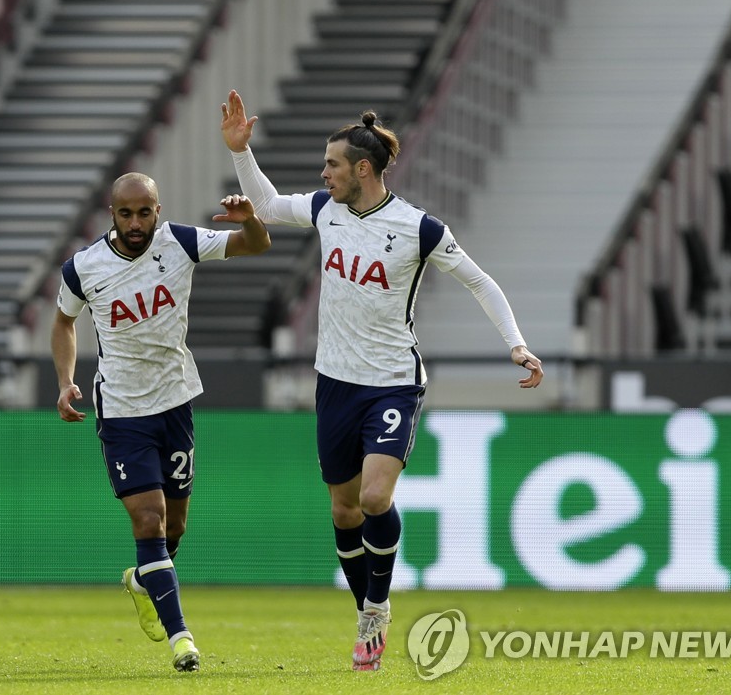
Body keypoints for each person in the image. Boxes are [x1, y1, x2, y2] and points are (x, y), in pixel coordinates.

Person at [220, 90, 544, 671]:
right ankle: (365, 609)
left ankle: (377, 604)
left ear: (361, 169)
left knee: (374, 497)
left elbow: (480, 281)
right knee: (344, 512)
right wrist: (242, 153)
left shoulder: (418, 228)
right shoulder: (327, 209)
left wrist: (515, 344)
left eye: (332, 165)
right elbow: (265, 206)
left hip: (393, 381)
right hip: (334, 381)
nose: (324, 174)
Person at [51, 172, 270, 673]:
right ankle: (182, 640)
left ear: (157, 209)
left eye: (144, 212)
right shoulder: (83, 268)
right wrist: (65, 380)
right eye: (125, 213)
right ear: (112, 213)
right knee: (148, 520)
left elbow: (257, 245)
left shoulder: (181, 242)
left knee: (173, 531)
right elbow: (63, 321)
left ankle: (142, 579)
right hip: (124, 410)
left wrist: (250, 219)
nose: (135, 222)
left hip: (175, 402)